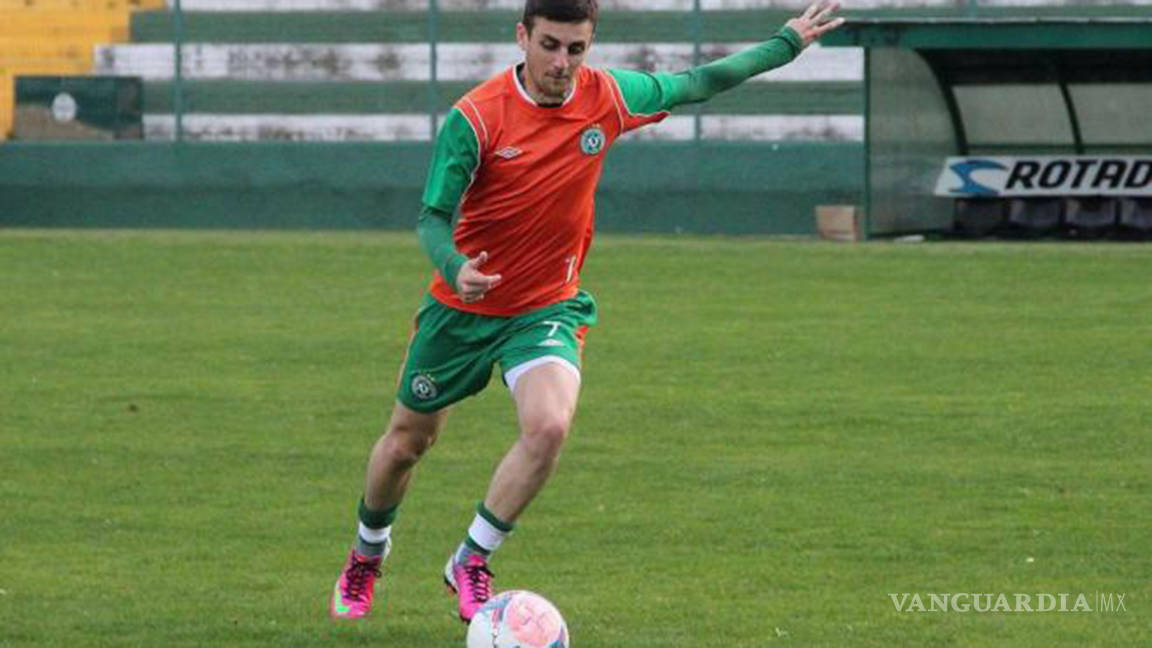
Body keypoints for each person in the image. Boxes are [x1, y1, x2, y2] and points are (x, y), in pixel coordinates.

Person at [330, 0, 844, 623]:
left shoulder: (606, 97)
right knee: (407, 444)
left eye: (576, 49)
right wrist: (453, 266)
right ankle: (367, 555)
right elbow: (433, 217)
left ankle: (471, 559)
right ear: (523, 37)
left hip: (547, 306)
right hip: (460, 312)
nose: (562, 63)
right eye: (549, 45)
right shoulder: (476, 118)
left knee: (548, 426)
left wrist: (785, 43)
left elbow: (697, 82)